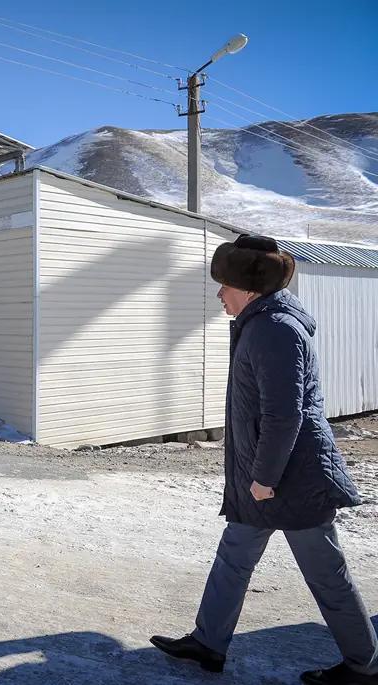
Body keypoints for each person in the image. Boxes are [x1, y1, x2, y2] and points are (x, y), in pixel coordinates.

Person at [150, 235, 377, 685]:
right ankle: (208, 643)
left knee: (326, 575)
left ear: (250, 289)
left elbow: (284, 414)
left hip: (293, 478)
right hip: (265, 477)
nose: (220, 293)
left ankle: (366, 666)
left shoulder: (275, 330)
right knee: (233, 556)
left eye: (225, 285)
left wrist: (264, 478)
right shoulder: (258, 324)